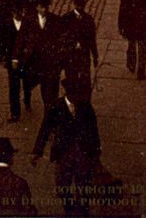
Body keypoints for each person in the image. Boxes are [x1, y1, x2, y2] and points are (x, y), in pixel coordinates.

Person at [32, 76, 101, 216]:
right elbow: (45, 128)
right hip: (63, 153)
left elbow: (94, 129)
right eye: (74, 94)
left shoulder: (86, 106)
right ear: (67, 93)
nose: (77, 97)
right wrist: (37, 151)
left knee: (84, 188)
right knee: (62, 187)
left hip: (83, 152)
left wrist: (96, 151)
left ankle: (82, 211)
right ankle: (69, 209)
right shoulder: (56, 106)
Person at [13, 0, 63, 111]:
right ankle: (27, 100)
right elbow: (20, 39)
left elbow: (60, 41)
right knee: (28, 84)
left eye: (46, 7)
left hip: (48, 61)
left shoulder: (55, 20)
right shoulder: (28, 20)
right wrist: (15, 57)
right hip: (32, 60)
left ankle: (49, 111)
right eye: (41, 7)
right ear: (37, 7)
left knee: (49, 89)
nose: (44, 10)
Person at [0, 0, 27, 123]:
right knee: (14, 86)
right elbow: (3, 42)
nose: (20, 14)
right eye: (17, 12)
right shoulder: (7, 25)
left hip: (26, 59)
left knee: (27, 83)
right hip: (12, 61)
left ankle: (28, 99)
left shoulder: (28, 24)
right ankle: (15, 112)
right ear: (14, 13)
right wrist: (4, 57)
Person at [58, 0, 98, 89]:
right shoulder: (66, 18)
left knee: (85, 81)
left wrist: (95, 55)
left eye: (82, 4)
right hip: (70, 54)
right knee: (71, 80)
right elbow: (61, 38)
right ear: (74, 4)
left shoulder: (89, 19)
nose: (80, 7)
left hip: (84, 54)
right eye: (78, 4)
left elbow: (92, 39)